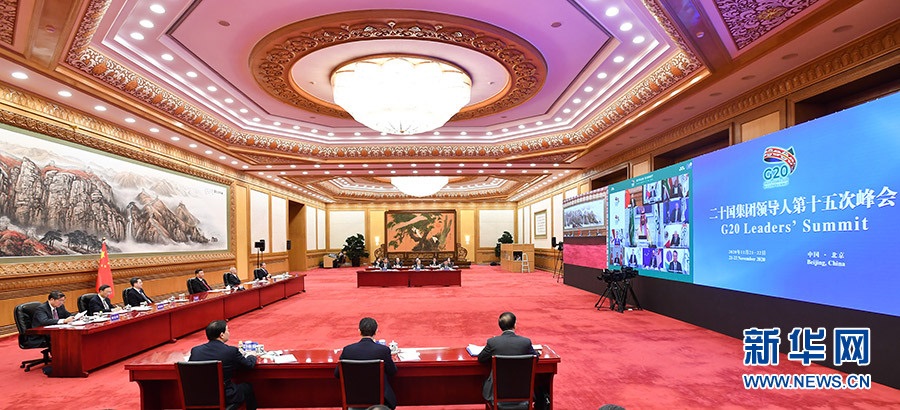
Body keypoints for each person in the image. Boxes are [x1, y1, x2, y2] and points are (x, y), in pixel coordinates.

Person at [189, 320, 257, 410]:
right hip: (223, 396)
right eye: (227, 330)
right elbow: (248, 365)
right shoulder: (231, 351)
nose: (229, 333)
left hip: (198, 396)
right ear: (221, 335)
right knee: (247, 388)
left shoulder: (195, 351)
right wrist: (252, 355)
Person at [334, 317, 398, 409]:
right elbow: (392, 371)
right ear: (376, 332)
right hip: (378, 398)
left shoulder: (348, 350)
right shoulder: (383, 350)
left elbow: (337, 374)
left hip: (353, 397)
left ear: (359, 331)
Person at [477, 312, 536, 402]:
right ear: (515, 324)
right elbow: (535, 358)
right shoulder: (525, 342)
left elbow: (481, 359)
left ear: (500, 326)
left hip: (497, 392)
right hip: (522, 390)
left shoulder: (493, 342)